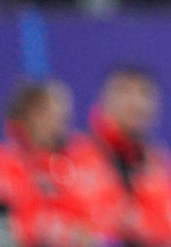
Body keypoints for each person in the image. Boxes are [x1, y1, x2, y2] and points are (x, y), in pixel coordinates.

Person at [89, 66, 171, 247]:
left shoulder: (159, 161)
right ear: (104, 101)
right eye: (126, 92)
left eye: (144, 94)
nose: (137, 103)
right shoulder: (78, 155)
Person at [2, 80, 122, 246]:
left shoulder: (87, 155)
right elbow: (14, 223)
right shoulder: (7, 163)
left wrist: (91, 233)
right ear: (23, 117)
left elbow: (111, 210)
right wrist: (61, 231)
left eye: (60, 111)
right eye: (44, 112)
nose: (57, 118)